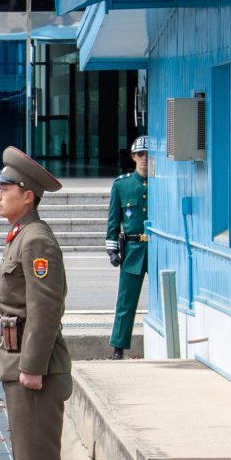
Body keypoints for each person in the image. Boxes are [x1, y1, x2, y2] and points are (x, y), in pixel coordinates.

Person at [0, 146, 72, 460]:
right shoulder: (22, 234)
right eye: (0, 187)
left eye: (7, 187)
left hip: (35, 367)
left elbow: (45, 308)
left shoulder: (36, 239)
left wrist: (33, 366)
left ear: (29, 195)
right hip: (19, 359)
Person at [106, 136, 150, 360]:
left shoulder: (162, 182)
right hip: (133, 248)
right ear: (133, 157)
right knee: (126, 300)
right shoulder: (122, 185)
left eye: (149, 154)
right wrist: (112, 249)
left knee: (166, 296)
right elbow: (114, 220)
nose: (145, 159)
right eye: (140, 154)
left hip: (158, 249)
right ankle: (118, 346)